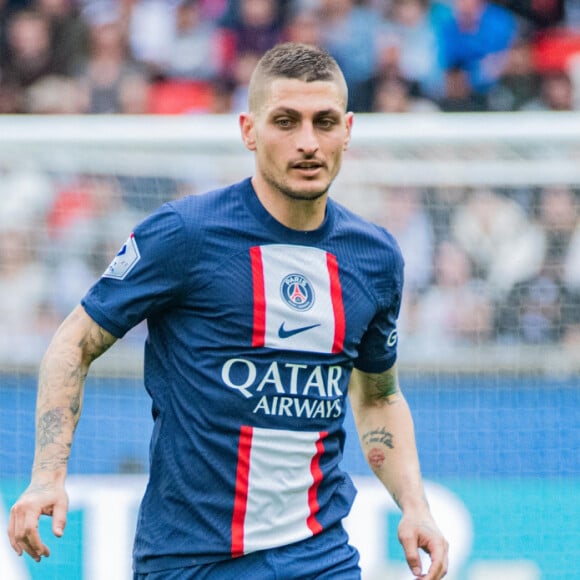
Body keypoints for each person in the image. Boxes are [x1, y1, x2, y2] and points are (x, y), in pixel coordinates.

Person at [7, 42, 448, 579]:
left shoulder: (375, 257)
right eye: (286, 121)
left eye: (324, 122)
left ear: (348, 130)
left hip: (319, 557)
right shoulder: (185, 235)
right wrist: (48, 474)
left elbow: (378, 396)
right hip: (192, 561)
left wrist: (415, 505)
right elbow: (73, 343)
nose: (308, 142)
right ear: (248, 130)